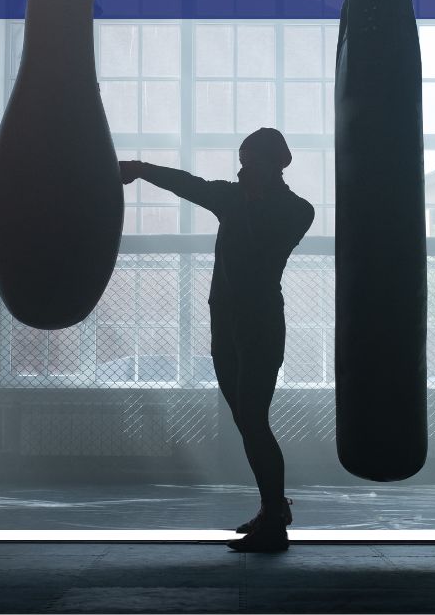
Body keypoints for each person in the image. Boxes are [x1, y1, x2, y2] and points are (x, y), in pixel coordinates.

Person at [119, 128, 313, 553]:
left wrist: (249, 200)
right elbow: (187, 184)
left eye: (252, 161)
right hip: (225, 322)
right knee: (246, 420)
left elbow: (263, 246)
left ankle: (274, 520)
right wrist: (140, 169)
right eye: (242, 161)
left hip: (260, 323)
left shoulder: (297, 210)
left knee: (254, 419)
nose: (243, 169)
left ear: (275, 164)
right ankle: (273, 509)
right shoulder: (233, 198)